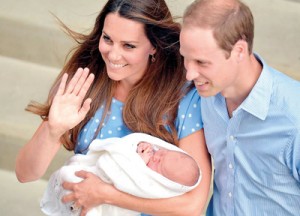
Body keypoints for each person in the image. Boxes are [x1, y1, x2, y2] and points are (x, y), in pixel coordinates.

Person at [15, 0, 212, 215]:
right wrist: (53, 131)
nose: (113, 55)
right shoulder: (87, 81)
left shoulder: (184, 98)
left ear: (154, 46)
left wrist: (107, 195)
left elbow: (192, 207)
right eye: (107, 39)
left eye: (129, 45)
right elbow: (25, 174)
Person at [180, 0, 300, 215]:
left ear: (239, 51)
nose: (190, 73)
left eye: (201, 62)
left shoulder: (294, 118)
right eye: (185, 59)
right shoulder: (202, 94)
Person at [40, 133, 201, 216]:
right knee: (69, 176)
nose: (156, 156)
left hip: (111, 206)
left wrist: (137, 160)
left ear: (163, 181)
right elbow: (123, 148)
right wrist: (138, 147)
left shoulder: (150, 184)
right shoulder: (150, 152)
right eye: (163, 154)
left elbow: (126, 175)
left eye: (159, 163)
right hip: (89, 176)